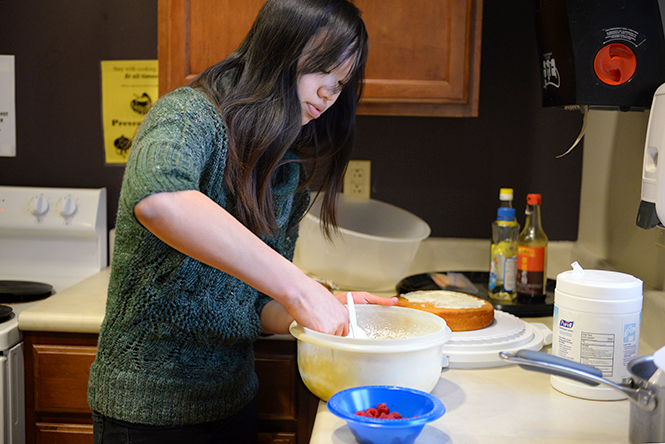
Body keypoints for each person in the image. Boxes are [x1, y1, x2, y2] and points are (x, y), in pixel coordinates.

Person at [87, 0, 396, 442]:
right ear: (278, 48)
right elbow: (160, 200)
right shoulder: (187, 116)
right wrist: (301, 288)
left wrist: (326, 308)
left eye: (342, 82)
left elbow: (254, 306)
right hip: (145, 412)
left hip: (234, 405)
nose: (331, 93)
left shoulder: (285, 166)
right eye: (322, 69)